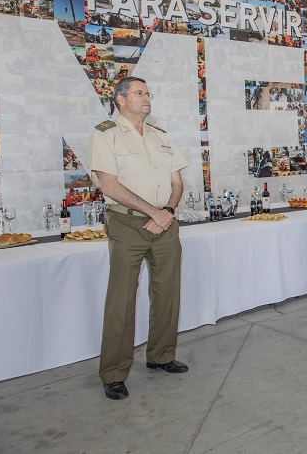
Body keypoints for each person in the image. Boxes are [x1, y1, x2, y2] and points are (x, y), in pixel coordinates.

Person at [88, 76, 188, 401]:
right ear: (120, 99)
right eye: (139, 93)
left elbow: (176, 180)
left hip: (165, 224)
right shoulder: (106, 135)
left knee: (167, 293)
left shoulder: (160, 135)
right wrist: (153, 212)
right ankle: (114, 373)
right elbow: (110, 185)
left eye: (148, 93)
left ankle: (162, 355)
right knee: (122, 299)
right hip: (127, 224)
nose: (147, 98)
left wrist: (168, 211)